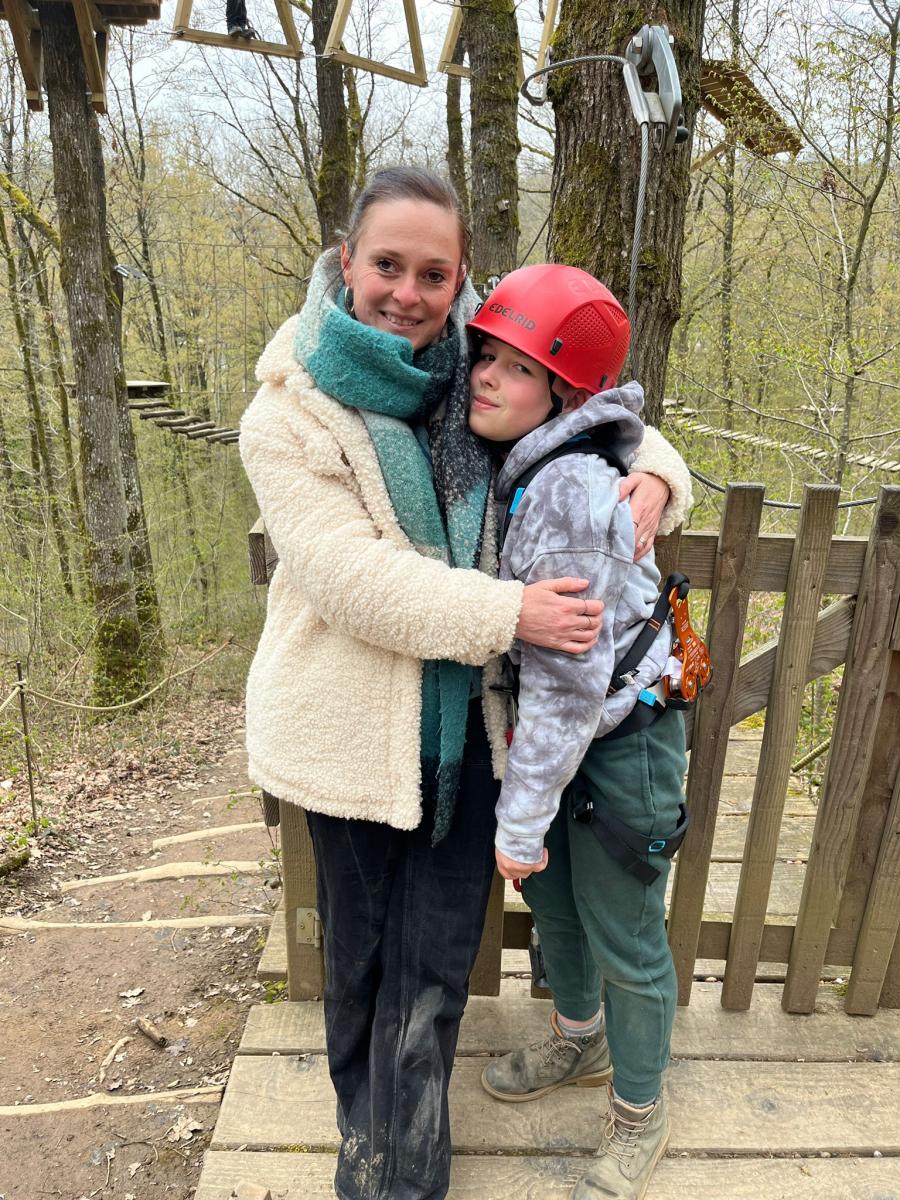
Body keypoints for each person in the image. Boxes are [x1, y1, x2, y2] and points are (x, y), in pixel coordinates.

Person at [239, 166, 692, 1200]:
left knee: (437, 969)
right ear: (346, 260)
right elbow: (351, 579)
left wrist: (658, 474)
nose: (407, 293)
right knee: (360, 964)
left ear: (461, 282)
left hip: (471, 733)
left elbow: (584, 405)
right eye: (387, 265)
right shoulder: (289, 410)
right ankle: (371, 1152)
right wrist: (509, 615)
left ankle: (414, 1167)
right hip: (352, 735)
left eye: (433, 274)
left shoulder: (476, 364)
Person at [467, 264, 690, 1200]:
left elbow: (567, 683)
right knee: (558, 909)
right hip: (564, 744)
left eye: (515, 367)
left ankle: (639, 1112)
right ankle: (580, 1040)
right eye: (484, 354)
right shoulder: (529, 462)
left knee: (627, 939)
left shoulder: (564, 492)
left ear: (562, 393)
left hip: (620, 745)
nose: (485, 375)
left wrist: (518, 822)